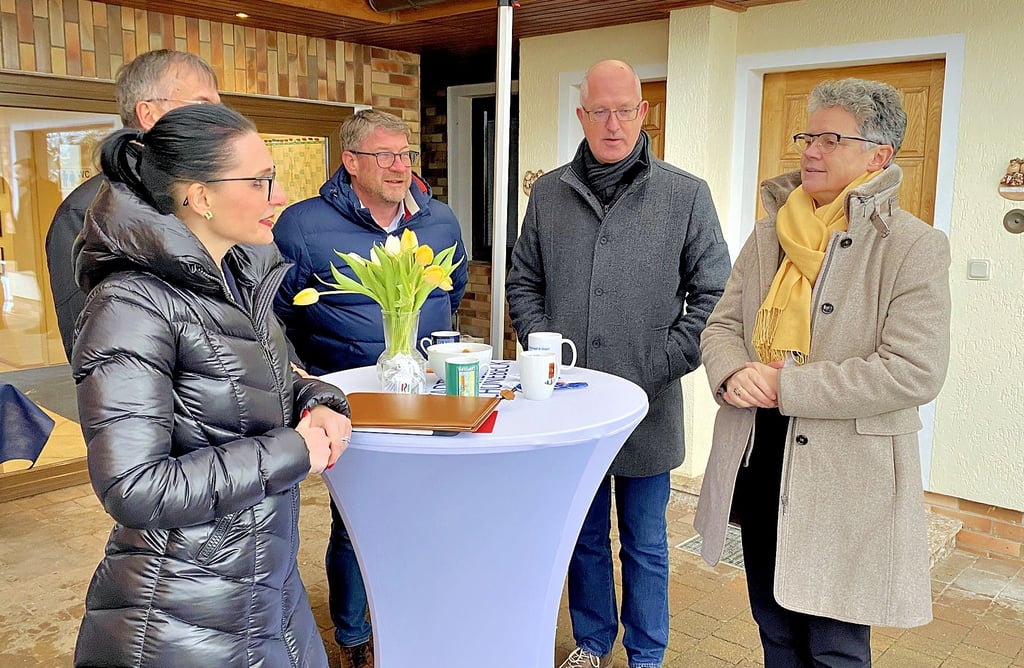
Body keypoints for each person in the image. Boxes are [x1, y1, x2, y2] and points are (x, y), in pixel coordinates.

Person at [71, 104, 352, 667]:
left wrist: (319, 401)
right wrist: (294, 451)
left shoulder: (240, 280)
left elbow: (272, 381)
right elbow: (133, 487)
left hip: (263, 581)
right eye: (260, 181)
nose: (279, 196)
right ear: (200, 197)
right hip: (182, 607)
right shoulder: (131, 305)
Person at [694, 78, 952, 667]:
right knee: (775, 629)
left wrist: (788, 386)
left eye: (830, 139)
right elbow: (720, 327)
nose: (810, 150)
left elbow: (914, 370)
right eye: (808, 135)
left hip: (845, 476)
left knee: (834, 647)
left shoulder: (912, 246)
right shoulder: (770, 234)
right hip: (760, 457)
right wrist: (734, 373)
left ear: (878, 156)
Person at [506, 60, 731, 668]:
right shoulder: (549, 193)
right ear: (581, 116)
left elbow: (715, 294)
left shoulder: (685, 194)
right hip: (568, 404)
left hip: (646, 405)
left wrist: (661, 359)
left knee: (645, 543)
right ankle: (593, 640)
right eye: (599, 111)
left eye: (625, 110)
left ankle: (647, 653)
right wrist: (539, 342)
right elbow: (523, 280)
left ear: (643, 112)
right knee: (582, 538)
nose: (613, 123)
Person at [273, 108, 467, 667]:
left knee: (428, 515)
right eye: (385, 155)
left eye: (406, 155)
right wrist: (305, 380)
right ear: (351, 161)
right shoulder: (302, 226)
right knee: (357, 521)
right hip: (348, 404)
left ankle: (415, 617)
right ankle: (354, 635)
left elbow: (449, 291)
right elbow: (275, 313)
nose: (400, 166)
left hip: (430, 399)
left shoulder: (438, 221)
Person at [46, 49, 220, 359]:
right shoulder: (88, 212)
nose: (220, 121)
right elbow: (96, 347)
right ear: (149, 114)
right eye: (203, 106)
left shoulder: (213, 196)